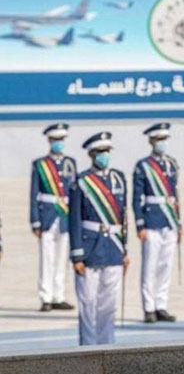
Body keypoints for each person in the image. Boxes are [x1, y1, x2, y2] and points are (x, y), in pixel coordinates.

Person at [69, 132, 129, 345]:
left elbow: (123, 217)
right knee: (88, 304)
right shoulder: (82, 182)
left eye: (107, 152)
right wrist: (76, 255)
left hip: (113, 248)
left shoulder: (119, 178)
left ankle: (107, 345)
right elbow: (74, 219)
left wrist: (125, 250)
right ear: (92, 154)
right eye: (100, 152)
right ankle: (87, 348)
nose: (104, 156)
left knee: (109, 304)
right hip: (89, 248)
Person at [133, 123, 182, 323]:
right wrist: (139, 224)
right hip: (152, 220)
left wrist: (179, 224)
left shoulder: (171, 163)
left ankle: (161, 304)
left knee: (165, 265)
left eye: (164, 139)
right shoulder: (143, 166)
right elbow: (137, 197)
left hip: (169, 219)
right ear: (151, 142)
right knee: (150, 266)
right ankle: (148, 307)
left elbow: (175, 195)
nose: (161, 143)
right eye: (158, 140)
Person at [30, 123, 76, 312]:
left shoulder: (70, 163)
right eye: (56, 140)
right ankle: (45, 296)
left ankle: (59, 295)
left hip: (64, 214)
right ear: (49, 141)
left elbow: (74, 191)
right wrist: (35, 220)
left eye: (62, 140)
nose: (59, 143)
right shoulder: (40, 165)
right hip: (47, 215)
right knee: (46, 257)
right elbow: (33, 194)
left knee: (61, 257)